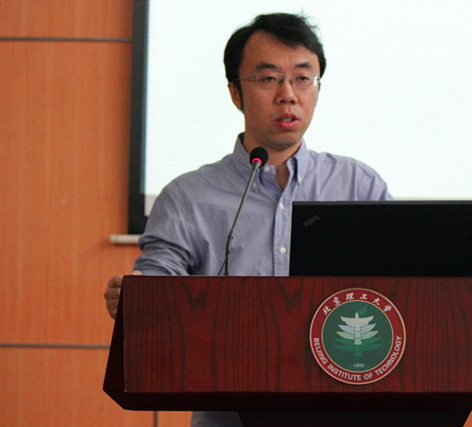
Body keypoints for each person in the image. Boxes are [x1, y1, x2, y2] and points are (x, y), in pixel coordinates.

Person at [104, 12, 392, 426]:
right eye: (269, 78)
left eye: (303, 78)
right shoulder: (188, 197)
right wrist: (136, 296)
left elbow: (401, 290)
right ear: (236, 93)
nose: (288, 95)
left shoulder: (359, 187)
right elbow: (158, 284)